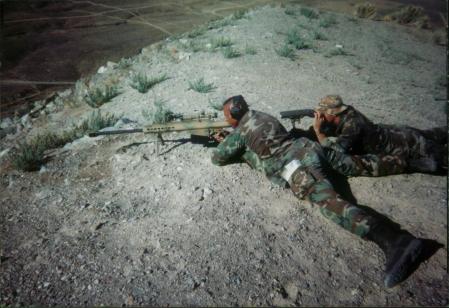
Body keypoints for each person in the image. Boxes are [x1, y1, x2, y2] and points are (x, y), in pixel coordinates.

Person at [212, 95, 426, 288]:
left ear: (236, 113)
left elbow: (218, 159)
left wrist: (226, 139)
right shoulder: (260, 115)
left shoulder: (240, 131)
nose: (227, 120)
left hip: (297, 163)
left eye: (227, 116)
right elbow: (258, 141)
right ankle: (417, 163)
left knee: (326, 201)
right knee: (358, 164)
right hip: (309, 147)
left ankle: (394, 241)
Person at [312, 94, 447, 173]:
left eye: (322, 113)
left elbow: (338, 150)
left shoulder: (352, 123)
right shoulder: (344, 115)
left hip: (404, 144)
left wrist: (319, 131)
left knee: (441, 155)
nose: (319, 115)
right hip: (398, 133)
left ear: (334, 113)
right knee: (435, 133)